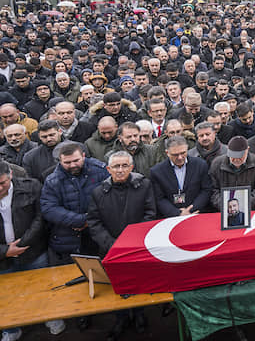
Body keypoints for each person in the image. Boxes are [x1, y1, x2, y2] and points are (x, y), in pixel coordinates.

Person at [87, 150, 156, 340]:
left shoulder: (144, 185)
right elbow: (94, 222)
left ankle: (140, 315)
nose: (120, 170)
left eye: (124, 165)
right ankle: (121, 319)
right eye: (116, 166)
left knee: (139, 283)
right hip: (111, 250)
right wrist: (112, 245)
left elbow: (150, 214)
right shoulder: (98, 192)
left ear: (132, 167)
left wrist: (133, 241)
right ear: (108, 169)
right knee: (118, 286)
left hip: (137, 247)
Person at [40, 142, 108, 332]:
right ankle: (82, 314)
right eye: (67, 162)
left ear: (84, 156)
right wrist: (78, 220)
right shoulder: (52, 180)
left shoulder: (100, 171)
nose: (72, 165)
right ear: (60, 161)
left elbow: (110, 197)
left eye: (76, 160)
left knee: (102, 275)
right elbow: (48, 208)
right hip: (68, 238)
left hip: (96, 236)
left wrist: (91, 220)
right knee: (76, 279)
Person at [0, 160, 63, 340]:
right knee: (7, 295)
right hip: (3, 258)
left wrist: (23, 243)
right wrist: (5, 251)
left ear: (10, 175)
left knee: (44, 286)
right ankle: (11, 329)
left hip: (33, 250)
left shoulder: (32, 186)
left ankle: (50, 317)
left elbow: (40, 217)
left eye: (2, 183)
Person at [150, 136, 212, 217]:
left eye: (183, 153)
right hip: (171, 217)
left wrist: (191, 209)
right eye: (175, 155)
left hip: (196, 213)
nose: (180, 157)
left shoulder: (200, 165)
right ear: (167, 153)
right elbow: (159, 198)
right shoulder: (157, 171)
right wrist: (177, 213)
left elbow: (206, 190)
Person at [208, 135, 255, 211]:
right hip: (224, 209)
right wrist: (226, 206)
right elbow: (213, 191)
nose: (236, 159)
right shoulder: (217, 164)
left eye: (240, 156)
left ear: (247, 150)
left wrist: (242, 206)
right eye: (233, 155)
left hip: (251, 208)